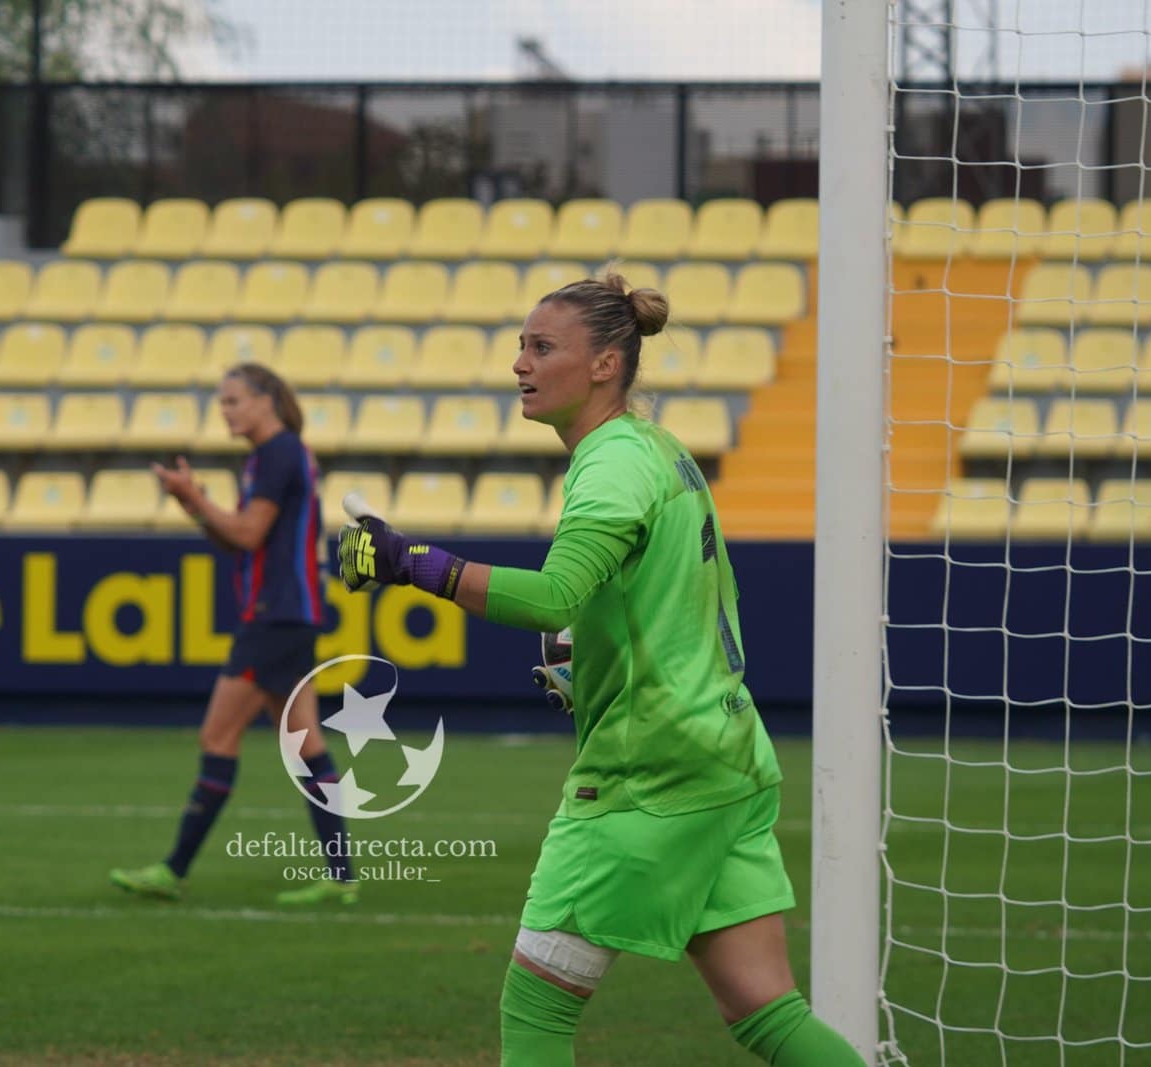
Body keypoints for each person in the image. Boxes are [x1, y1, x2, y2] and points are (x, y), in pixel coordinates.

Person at [336, 271, 863, 1066]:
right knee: (767, 1013)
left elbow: (553, 597)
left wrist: (415, 561)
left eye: (543, 347)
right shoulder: (659, 450)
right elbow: (662, 604)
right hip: (727, 754)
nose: (520, 363)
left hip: (649, 772)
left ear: (606, 364)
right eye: (520, 345)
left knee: (537, 1005)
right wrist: (595, 661)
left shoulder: (613, 461)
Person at [110, 362, 359, 907]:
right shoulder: (277, 454)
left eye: (233, 401)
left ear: (266, 400)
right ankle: (342, 877)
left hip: (274, 617)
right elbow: (241, 539)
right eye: (221, 403)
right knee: (304, 745)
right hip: (289, 615)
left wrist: (195, 500)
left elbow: (246, 535)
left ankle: (173, 869)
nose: (225, 411)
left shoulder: (276, 454)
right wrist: (191, 502)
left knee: (217, 739)